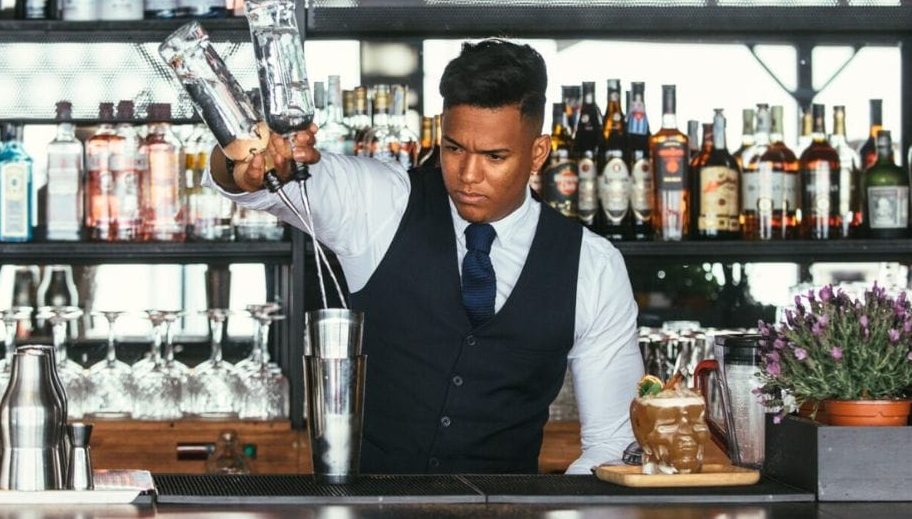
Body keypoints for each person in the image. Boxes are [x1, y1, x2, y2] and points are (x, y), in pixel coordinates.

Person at [206, 39, 643, 474]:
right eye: (454, 149)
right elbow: (258, 181)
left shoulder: (593, 267)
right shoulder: (384, 204)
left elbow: (612, 443)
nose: (469, 176)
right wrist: (245, 168)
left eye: (495, 156)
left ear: (538, 153)